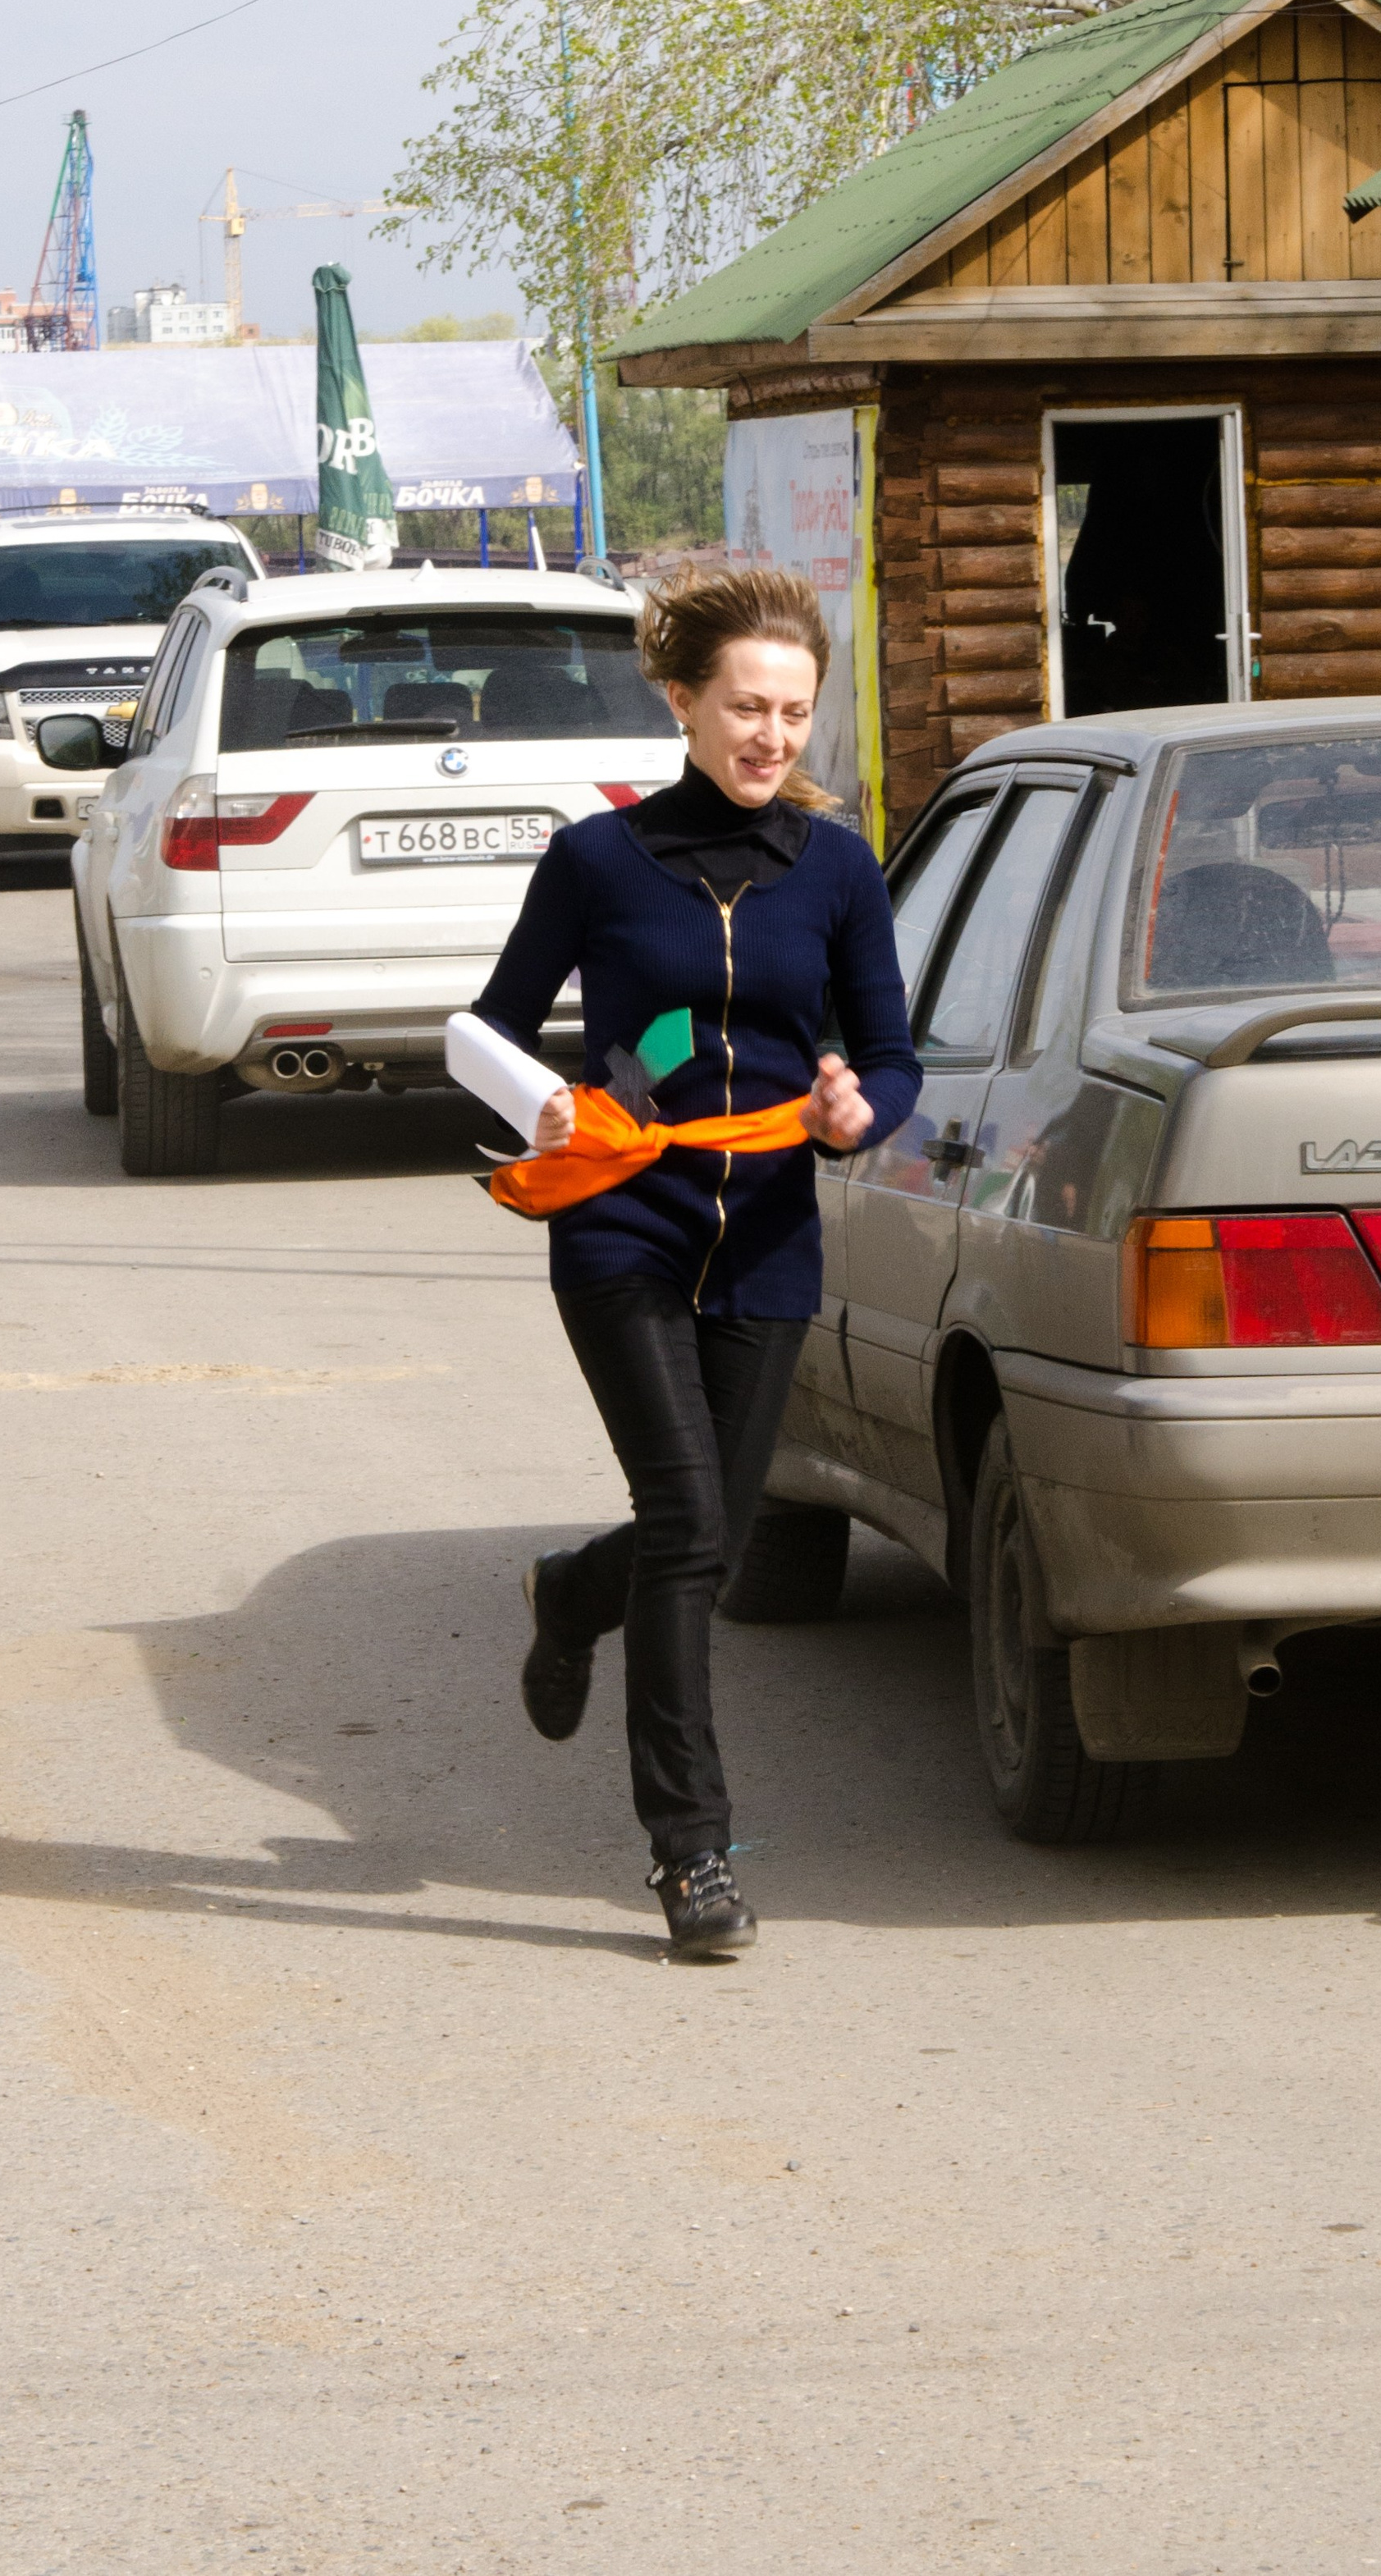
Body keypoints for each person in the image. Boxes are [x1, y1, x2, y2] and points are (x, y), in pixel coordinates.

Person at [473, 565, 921, 1959]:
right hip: (625, 1217)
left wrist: (865, 1112)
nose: (771, 734)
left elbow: (894, 1051)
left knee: (708, 1539)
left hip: (773, 1223)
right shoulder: (597, 861)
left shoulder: (839, 868)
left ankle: (571, 1592)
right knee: (685, 1523)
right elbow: (484, 1030)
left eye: (793, 711)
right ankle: (692, 1852)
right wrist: (535, 1096)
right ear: (682, 700)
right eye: (746, 705)